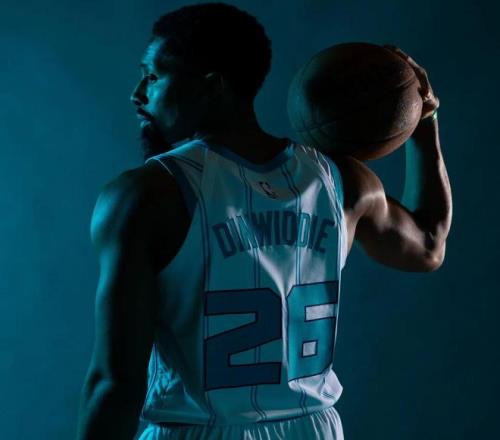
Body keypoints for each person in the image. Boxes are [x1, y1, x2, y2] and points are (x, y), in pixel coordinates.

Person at [76, 2, 452, 440]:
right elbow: (429, 246)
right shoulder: (344, 182)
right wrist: (424, 119)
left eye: (153, 76)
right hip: (314, 429)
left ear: (212, 85)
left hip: (198, 430)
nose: (138, 93)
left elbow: (116, 383)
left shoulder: (146, 195)